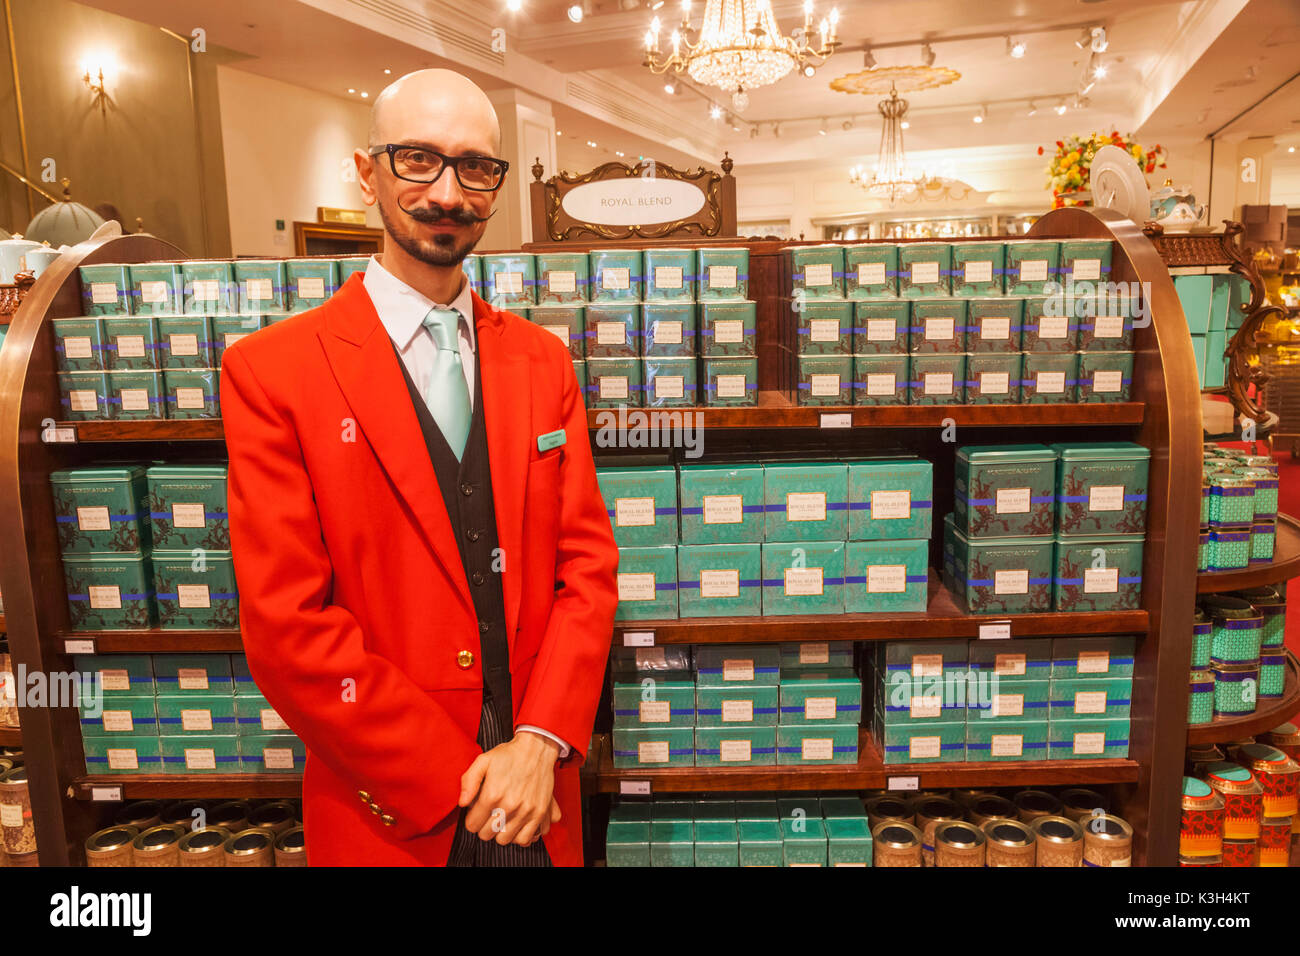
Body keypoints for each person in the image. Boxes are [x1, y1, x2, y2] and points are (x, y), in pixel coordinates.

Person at [219, 68, 618, 866]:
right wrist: (460, 778)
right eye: (417, 160)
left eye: (475, 167)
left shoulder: (544, 362)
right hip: (395, 813)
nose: (447, 193)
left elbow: (589, 567)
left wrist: (539, 743)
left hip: (542, 803)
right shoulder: (273, 370)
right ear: (367, 174)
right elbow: (286, 630)